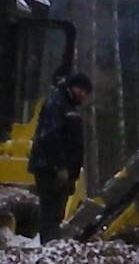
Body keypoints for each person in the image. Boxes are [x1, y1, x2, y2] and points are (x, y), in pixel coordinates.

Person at [29, 68, 92, 234]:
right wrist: (60, 166)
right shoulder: (56, 104)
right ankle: (49, 246)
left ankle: (52, 243)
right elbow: (50, 137)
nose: (83, 95)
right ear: (72, 87)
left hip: (63, 170)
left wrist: (72, 173)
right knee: (50, 212)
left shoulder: (68, 105)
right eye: (81, 90)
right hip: (50, 168)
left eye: (86, 92)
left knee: (56, 213)